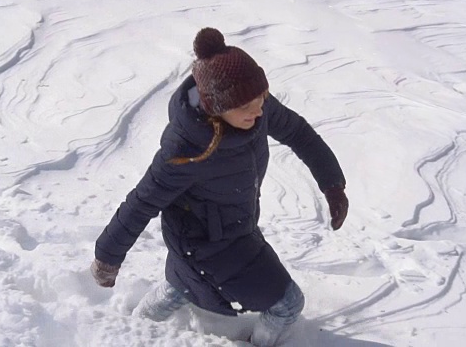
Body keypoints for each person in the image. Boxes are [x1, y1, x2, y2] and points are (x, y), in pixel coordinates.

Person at [90, 27, 348, 346]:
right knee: (287, 304)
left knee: (182, 286)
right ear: (216, 107)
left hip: (231, 227)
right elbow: (143, 201)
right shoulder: (185, 149)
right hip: (207, 246)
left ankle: (138, 324)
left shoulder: (252, 105)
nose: (258, 111)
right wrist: (107, 257)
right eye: (247, 106)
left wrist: (332, 183)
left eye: (261, 99)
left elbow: (298, 132)